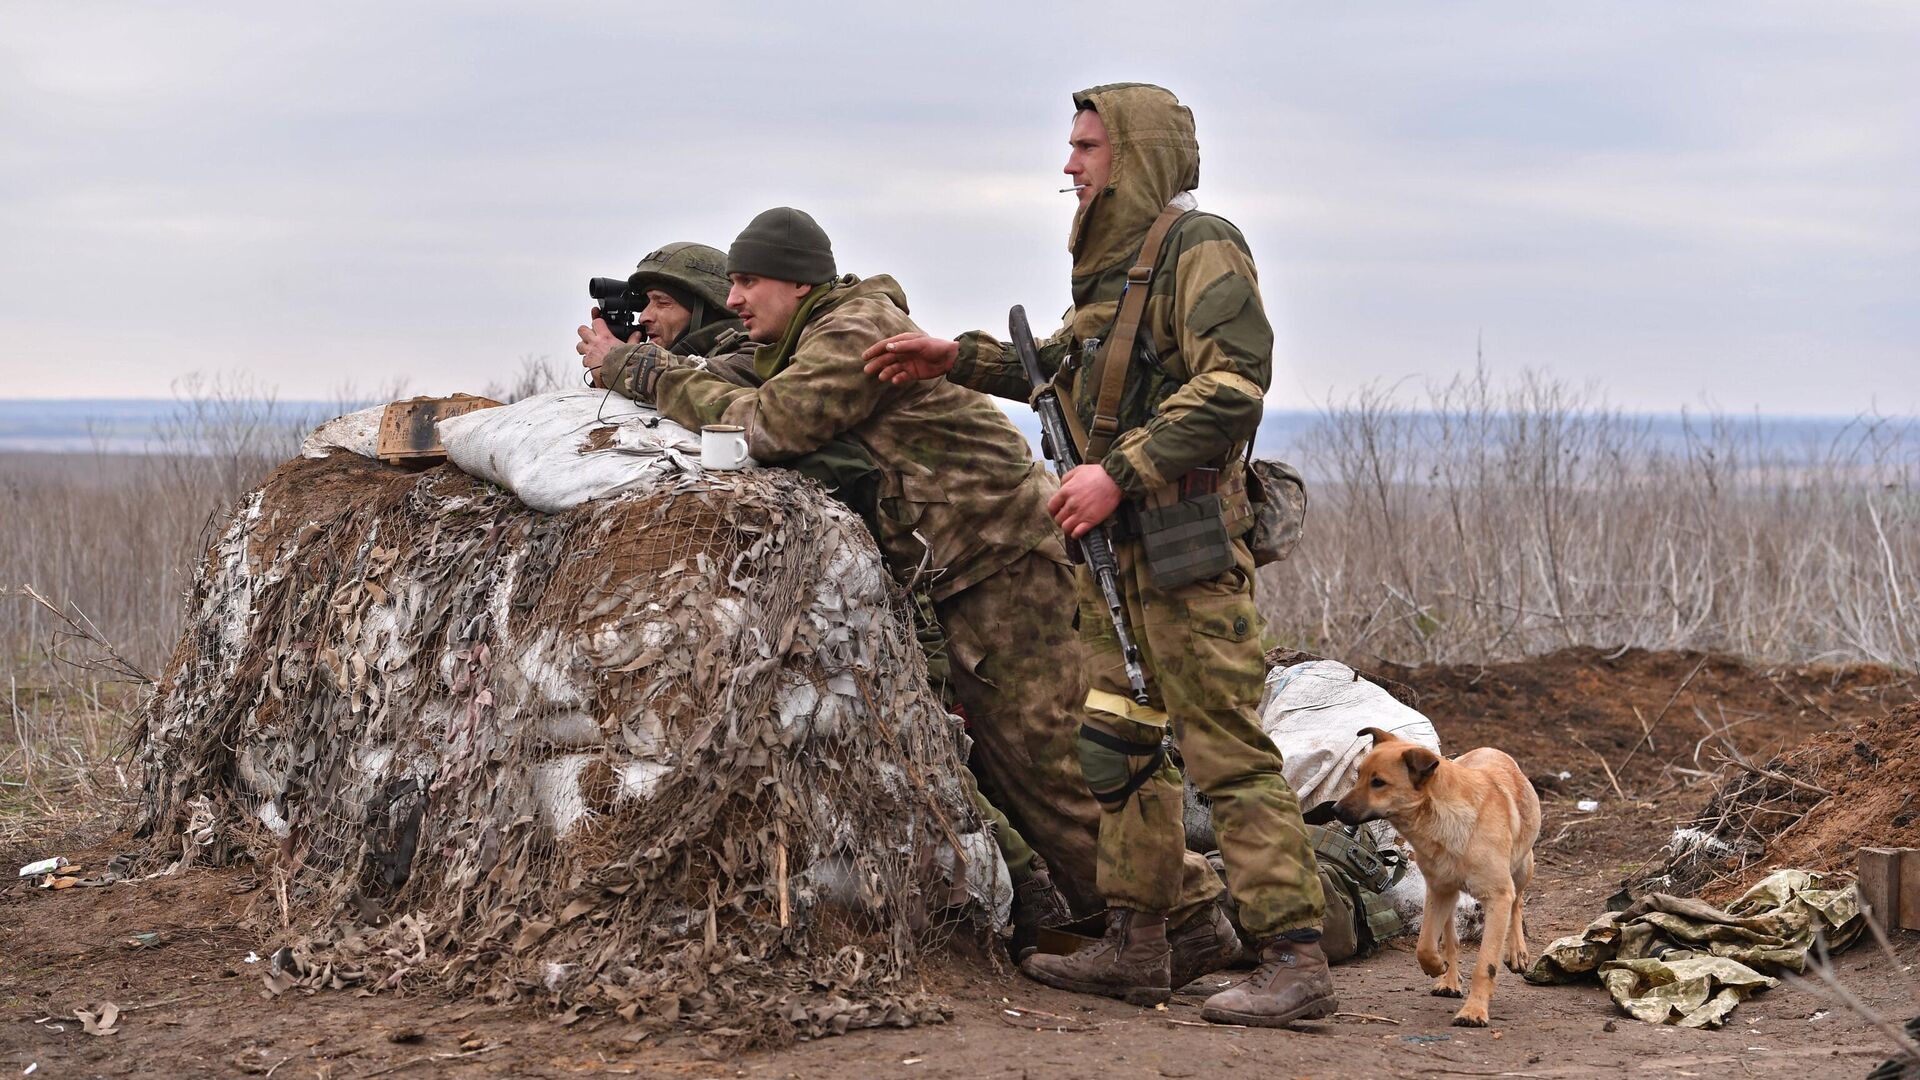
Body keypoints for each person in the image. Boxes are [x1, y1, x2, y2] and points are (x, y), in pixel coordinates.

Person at [577, 208, 1242, 979]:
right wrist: (648, 364)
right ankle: (1153, 925)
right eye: (728, 284)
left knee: (1062, 760)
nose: (735, 300)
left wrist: (635, 371)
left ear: (799, 282)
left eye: (749, 281)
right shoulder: (808, 337)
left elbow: (771, 425)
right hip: (972, 569)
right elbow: (737, 379)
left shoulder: (852, 332)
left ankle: (1193, 920)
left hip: (1006, 564)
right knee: (1029, 770)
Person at [861, 83, 1336, 1026]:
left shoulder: (1201, 249)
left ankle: (1295, 957)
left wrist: (1118, 471)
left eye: (1086, 147)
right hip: (1115, 561)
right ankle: (1145, 943)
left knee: (1226, 756)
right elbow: (1064, 363)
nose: (1069, 167)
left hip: (1185, 551)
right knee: (1120, 747)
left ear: (1139, 155)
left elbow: (1235, 385)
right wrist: (950, 357)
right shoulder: (1119, 274)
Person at [575, 242, 743, 357]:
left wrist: (619, 363)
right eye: (646, 303)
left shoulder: (748, 357)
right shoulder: (671, 374)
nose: (643, 317)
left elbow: (692, 392)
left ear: (707, 312)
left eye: (662, 303)